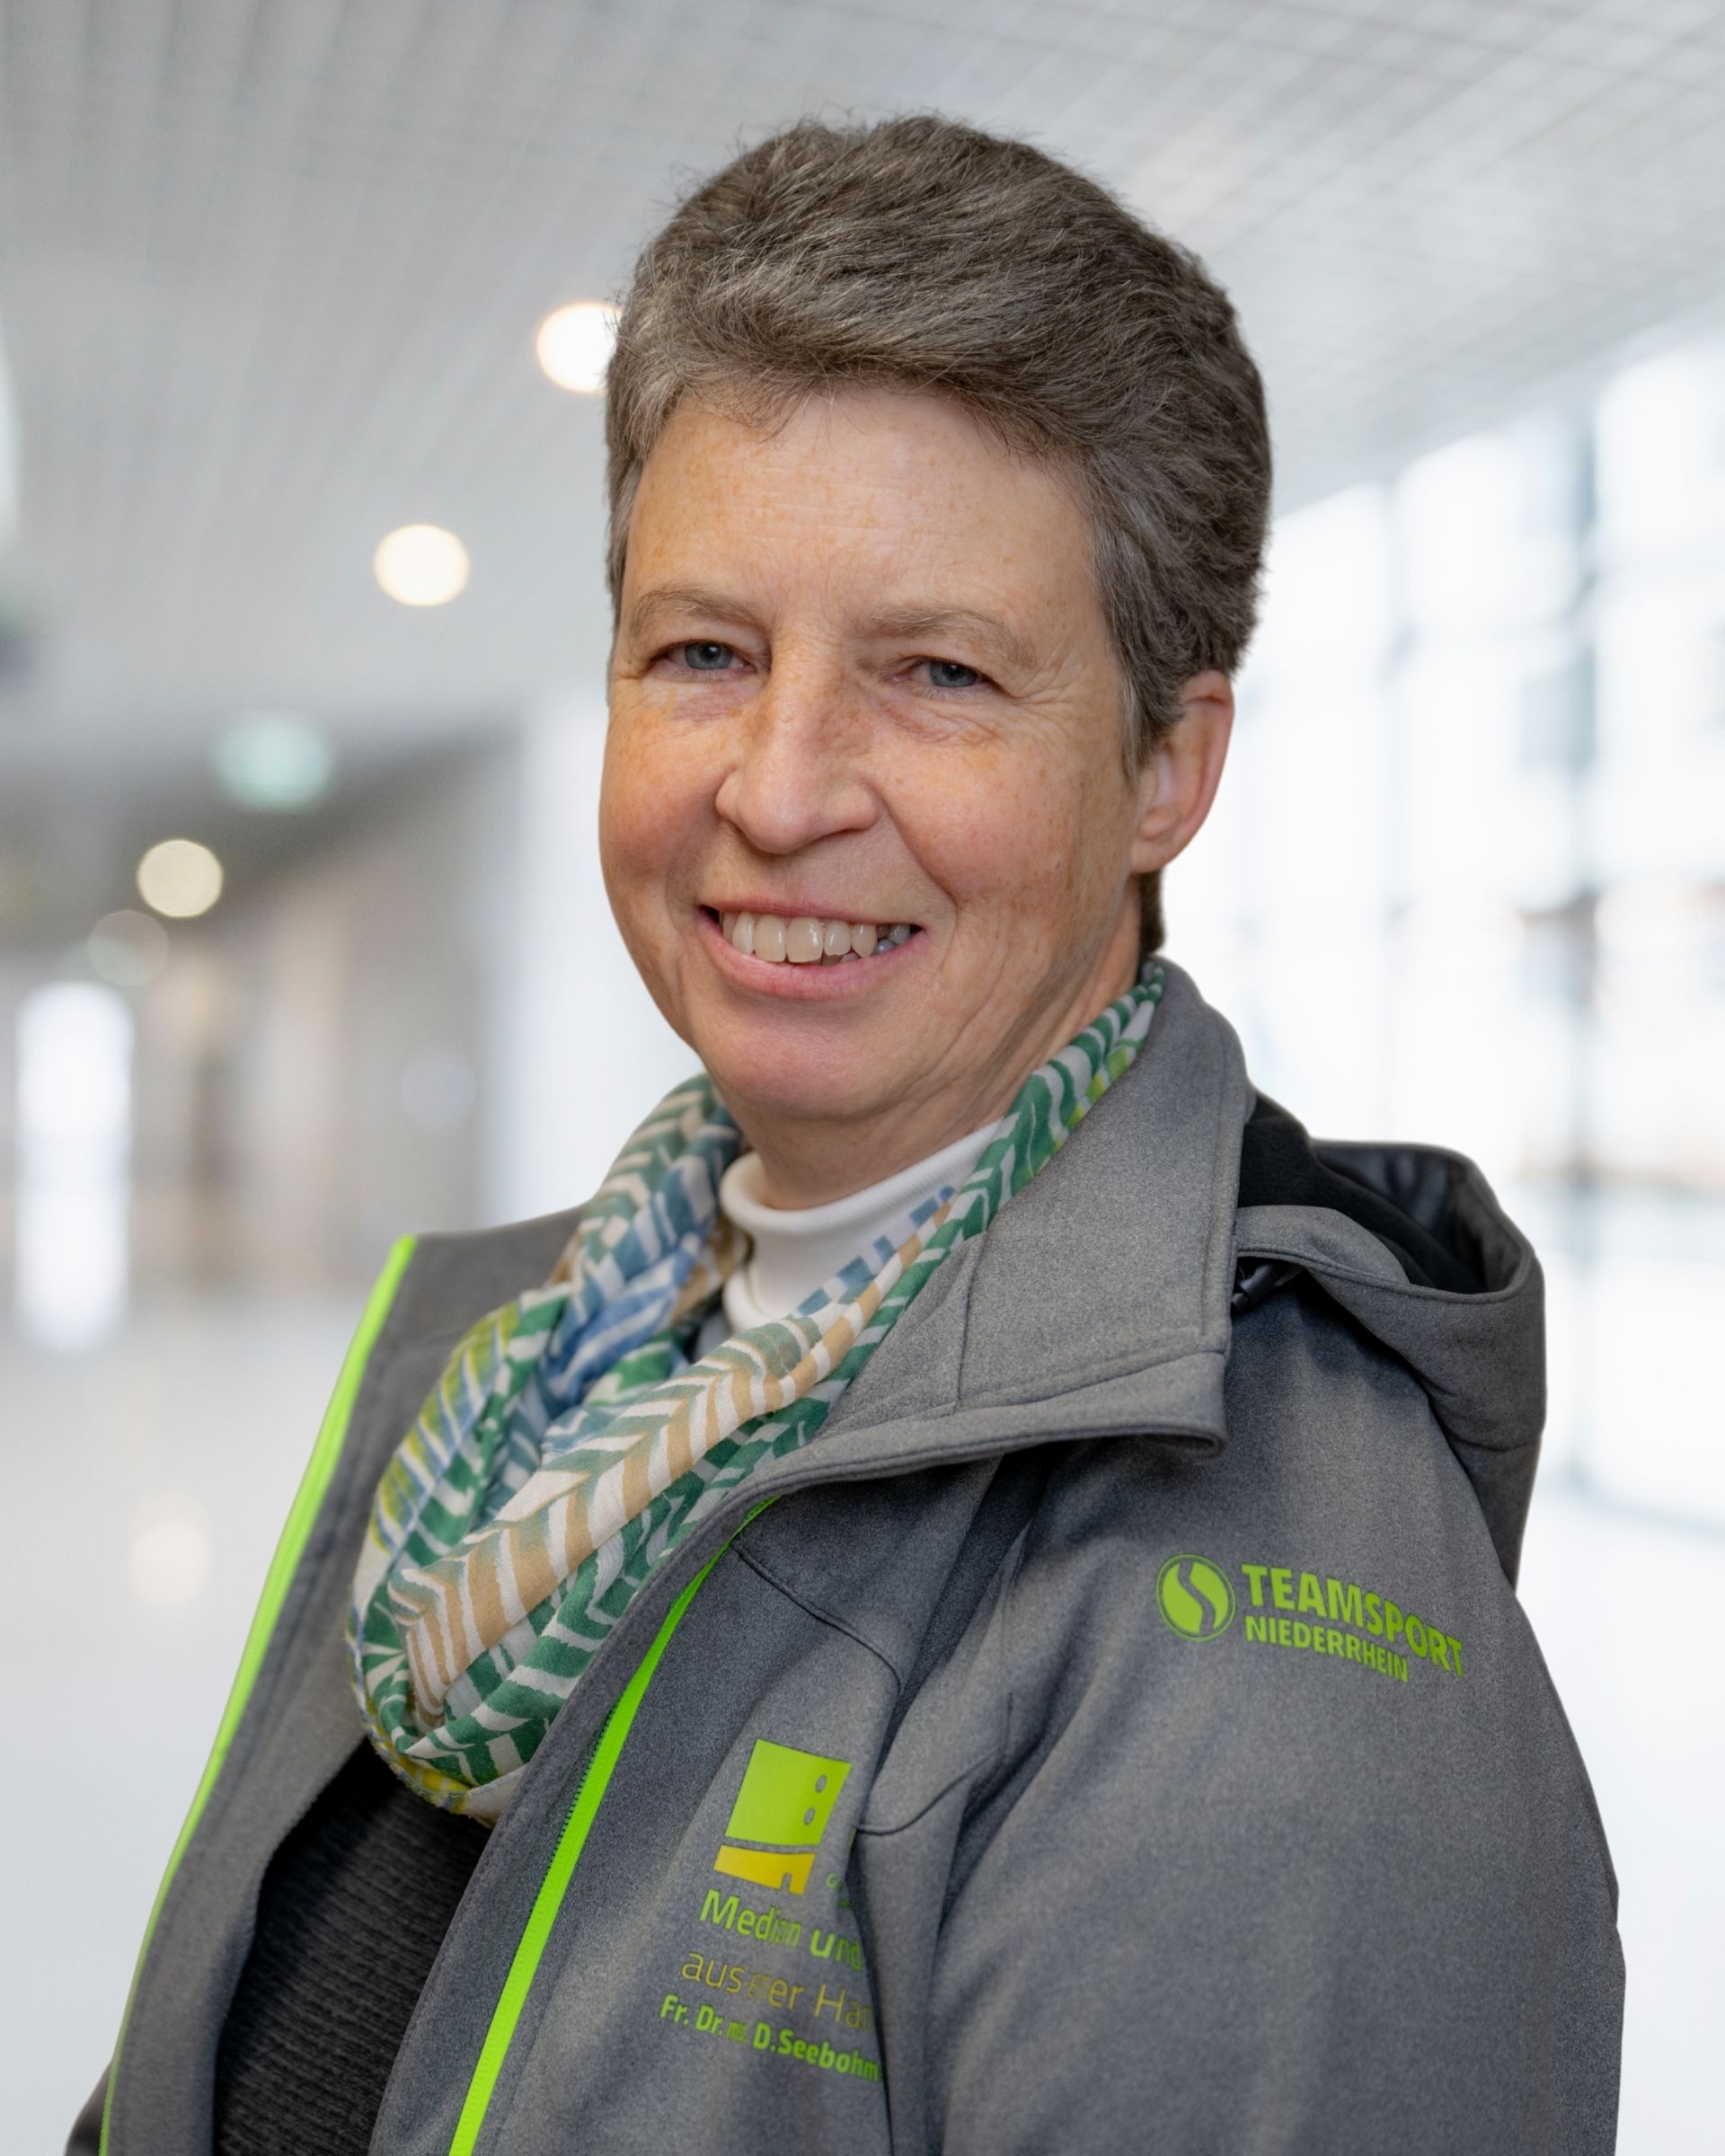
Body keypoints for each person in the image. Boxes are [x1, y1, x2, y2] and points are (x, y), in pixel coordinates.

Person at [76, 115, 1623, 2155]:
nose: (781, 789)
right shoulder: (522, 1374)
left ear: (1168, 769)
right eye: (704, 653)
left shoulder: (1278, 1652)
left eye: (940, 673)